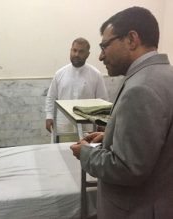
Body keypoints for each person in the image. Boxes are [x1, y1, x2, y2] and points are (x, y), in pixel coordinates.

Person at [70, 7, 173, 218]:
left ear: (131, 39)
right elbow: (156, 142)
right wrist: (110, 135)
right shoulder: (164, 75)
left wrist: (86, 154)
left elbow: (127, 168)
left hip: (136, 209)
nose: (100, 56)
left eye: (104, 46)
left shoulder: (140, 88)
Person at [45, 37, 108, 140]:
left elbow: (103, 100)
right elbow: (51, 97)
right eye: (74, 50)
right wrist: (49, 116)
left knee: (86, 154)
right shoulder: (60, 73)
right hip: (63, 126)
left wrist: (102, 122)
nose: (76, 54)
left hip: (87, 127)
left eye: (81, 51)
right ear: (71, 50)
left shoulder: (95, 75)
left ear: (88, 54)